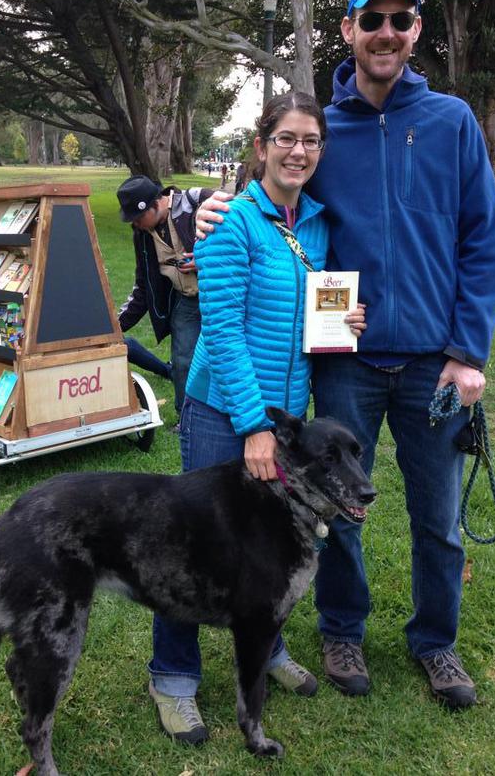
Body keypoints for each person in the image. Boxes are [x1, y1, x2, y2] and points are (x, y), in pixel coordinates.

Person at [195, 0, 495, 709]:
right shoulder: (325, 130)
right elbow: (274, 188)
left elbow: (484, 242)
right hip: (347, 362)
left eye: (402, 20)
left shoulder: (452, 122)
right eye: (374, 19)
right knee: (336, 508)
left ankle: (436, 642)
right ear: (348, 30)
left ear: (416, 31)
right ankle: (342, 627)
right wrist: (209, 208)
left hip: (435, 361)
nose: (387, 34)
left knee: (437, 517)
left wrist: (467, 352)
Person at [147, 91, 367, 744]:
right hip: (226, 411)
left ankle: (265, 647)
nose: (298, 151)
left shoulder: (316, 226)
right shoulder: (229, 223)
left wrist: (341, 323)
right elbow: (225, 328)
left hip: (288, 416)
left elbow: (308, 318)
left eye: (310, 141)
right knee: (194, 542)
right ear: (261, 145)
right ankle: (174, 675)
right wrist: (254, 426)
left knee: (272, 545)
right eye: (286, 138)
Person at [117, 175, 212, 420]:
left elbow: (245, 241)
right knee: (182, 362)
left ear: (156, 204)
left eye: (138, 218)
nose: (136, 224)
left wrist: (205, 260)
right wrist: (114, 327)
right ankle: (186, 419)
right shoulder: (142, 235)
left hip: (222, 297)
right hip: (187, 300)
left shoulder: (199, 201)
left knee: (229, 357)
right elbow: (142, 287)